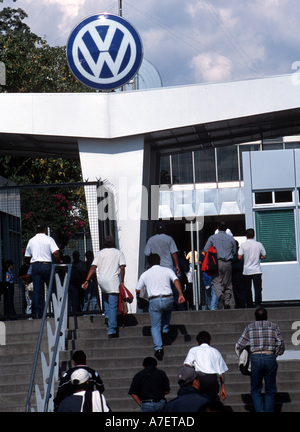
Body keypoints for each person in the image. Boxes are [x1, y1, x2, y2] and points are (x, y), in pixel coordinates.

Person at [136, 253, 185, 360]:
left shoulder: (145, 274)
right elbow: (176, 280)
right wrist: (181, 294)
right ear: (159, 261)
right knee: (167, 311)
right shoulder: (167, 270)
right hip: (168, 298)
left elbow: (137, 289)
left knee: (155, 326)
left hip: (154, 300)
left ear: (149, 263)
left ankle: (158, 348)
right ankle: (165, 330)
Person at [235, 307, 285, 412]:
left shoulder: (249, 327)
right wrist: (275, 354)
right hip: (270, 356)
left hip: (255, 357)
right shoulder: (274, 326)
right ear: (267, 316)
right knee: (270, 390)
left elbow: (239, 344)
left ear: (255, 317)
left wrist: (244, 354)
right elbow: (281, 344)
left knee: (255, 389)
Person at [83, 236, 126, 338]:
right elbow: (122, 267)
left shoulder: (99, 253)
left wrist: (86, 280)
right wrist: (122, 281)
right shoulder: (118, 253)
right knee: (113, 306)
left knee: (106, 300)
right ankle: (111, 330)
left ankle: (107, 316)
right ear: (114, 243)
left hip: (102, 281)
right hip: (113, 281)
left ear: (104, 243)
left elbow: (93, 267)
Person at [24, 222, 61, 318]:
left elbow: (27, 256)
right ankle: (56, 310)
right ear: (45, 229)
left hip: (35, 265)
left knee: (37, 290)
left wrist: (32, 261)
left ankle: (37, 312)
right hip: (46, 264)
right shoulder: (49, 239)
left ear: (36, 229)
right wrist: (59, 260)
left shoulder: (31, 240)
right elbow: (56, 252)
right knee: (52, 287)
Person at [200, 221, 236, 309]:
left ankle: (220, 295)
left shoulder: (212, 238)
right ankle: (227, 302)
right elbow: (234, 252)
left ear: (218, 228)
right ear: (226, 229)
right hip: (228, 263)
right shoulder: (231, 239)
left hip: (216, 263)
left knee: (216, 282)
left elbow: (205, 249)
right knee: (227, 283)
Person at [184, 331, 228, 401]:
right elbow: (221, 371)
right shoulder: (215, 351)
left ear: (197, 342)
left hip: (199, 380)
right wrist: (223, 387)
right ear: (210, 341)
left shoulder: (193, 350)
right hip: (212, 380)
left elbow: (187, 364)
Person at [238, 228, 266, 308]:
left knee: (247, 289)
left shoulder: (243, 245)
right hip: (257, 270)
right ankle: (258, 304)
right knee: (258, 288)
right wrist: (258, 257)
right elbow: (264, 255)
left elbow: (239, 257)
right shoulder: (259, 244)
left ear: (246, 236)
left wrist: (245, 257)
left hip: (246, 270)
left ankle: (249, 304)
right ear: (254, 235)